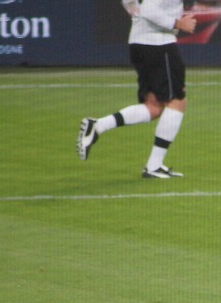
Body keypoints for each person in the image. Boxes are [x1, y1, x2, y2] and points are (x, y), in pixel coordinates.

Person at [77, 0, 196, 179]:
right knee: (177, 101)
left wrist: (135, 12)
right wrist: (178, 23)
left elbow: (132, 3)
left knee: (153, 107)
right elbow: (148, 9)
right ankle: (154, 166)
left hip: (141, 43)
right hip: (158, 45)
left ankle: (98, 126)